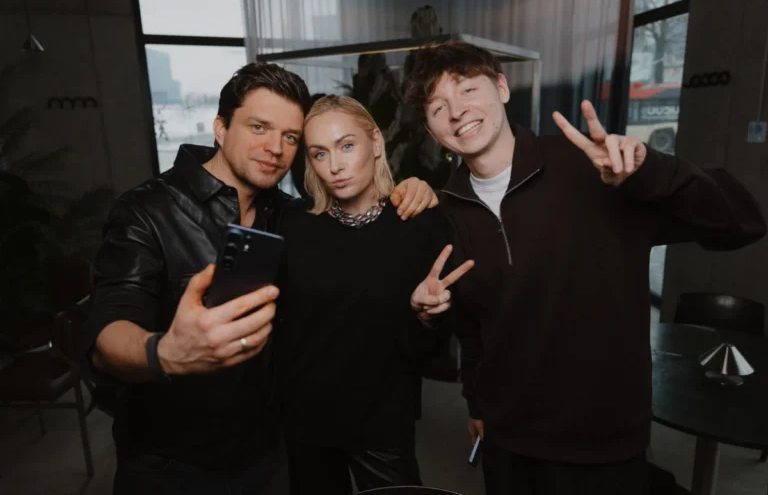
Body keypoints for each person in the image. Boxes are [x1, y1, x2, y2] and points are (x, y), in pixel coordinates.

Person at [405, 42, 767, 495]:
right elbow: (474, 327)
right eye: (438, 107)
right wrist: (473, 397)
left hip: (604, 440)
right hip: (509, 441)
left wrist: (650, 172)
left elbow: (741, 224)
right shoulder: (449, 212)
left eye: (468, 89)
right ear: (431, 130)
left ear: (501, 87)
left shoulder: (593, 169)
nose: (458, 111)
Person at [81, 63, 438, 495]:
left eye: (289, 137)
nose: (274, 148)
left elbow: (356, 251)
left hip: (267, 451)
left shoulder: (287, 214)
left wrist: (411, 189)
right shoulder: (147, 211)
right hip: (172, 461)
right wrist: (166, 353)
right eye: (258, 127)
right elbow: (109, 330)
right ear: (221, 128)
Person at [274, 95, 474, 495]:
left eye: (347, 145)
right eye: (320, 153)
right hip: (306, 421)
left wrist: (425, 316)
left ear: (376, 142)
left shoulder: (420, 224)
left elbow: (427, 351)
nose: (335, 166)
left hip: (383, 421)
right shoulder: (290, 224)